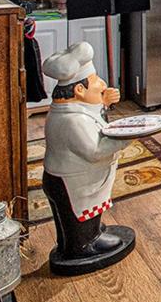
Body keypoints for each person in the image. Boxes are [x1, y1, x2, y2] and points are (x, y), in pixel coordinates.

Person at [41, 42, 135, 275]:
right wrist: (126, 136)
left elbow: (93, 118)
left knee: (82, 213)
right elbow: (94, 151)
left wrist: (103, 103)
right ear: (79, 91)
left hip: (71, 178)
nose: (102, 84)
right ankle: (82, 246)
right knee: (76, 214)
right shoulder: (72, 121)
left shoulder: (71, 112)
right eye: (95, 82)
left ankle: (88, 236)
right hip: (71, 181)